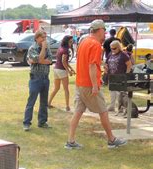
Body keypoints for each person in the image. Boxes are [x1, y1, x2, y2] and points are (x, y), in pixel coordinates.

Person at [65, 19, 127, 149]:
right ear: (99, 30)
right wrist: (94, 85)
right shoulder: (95, 45)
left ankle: (70, 141)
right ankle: (111, 140)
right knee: (103, 111)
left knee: (78, 111)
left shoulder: (84, 42)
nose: (105, 33)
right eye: (104, 30)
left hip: (80, 84)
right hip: (89, 85)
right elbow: (92, 66)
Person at [22, 30, 53, 131]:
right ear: (37, 38)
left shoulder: (47, 48)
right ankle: (26, 123)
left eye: (45, 37)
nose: (44, 40)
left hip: (45, 77)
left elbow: (50, 60)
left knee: (44, 102)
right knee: (31, 101)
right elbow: (38, 59)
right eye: (42, 38)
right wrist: (43, 51)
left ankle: (42, 121)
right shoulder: (32, 48)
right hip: (35, 78)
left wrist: (41, 60)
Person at [48, 35, 76, 112]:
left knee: (56, 88)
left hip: (56, 69)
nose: (72, 43)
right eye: (70, 41)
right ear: (67, 41)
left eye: (72, 41)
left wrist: (71, 69)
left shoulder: (60, 48)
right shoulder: (66, 50)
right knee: (66, 89)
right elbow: (64, 61)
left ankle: (48, 103)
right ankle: (67, 106)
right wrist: (68, 71)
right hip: (61, 70)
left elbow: (64, 61)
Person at [105, 40, 132, 115]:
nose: (113, 50)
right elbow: (106, 63)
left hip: (121, 76)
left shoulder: (123, 54)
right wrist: (106, 67)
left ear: (119, 47)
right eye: (111, 48)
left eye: (114, 48)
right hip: (112, 76)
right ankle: (112, 106)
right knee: (112, 92)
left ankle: (121, 108)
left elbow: (129, 65)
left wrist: (126, 74)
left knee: (120, 93)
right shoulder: (110, 54)